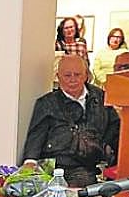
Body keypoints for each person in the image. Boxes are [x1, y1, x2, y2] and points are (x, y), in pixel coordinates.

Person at [21, 55, 120, 188]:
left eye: (77, 75)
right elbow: (36, 135)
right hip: (60, 166)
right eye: (67, 75)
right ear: (58, 77)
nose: (73, 80)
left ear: (86, 75)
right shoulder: (46, 103)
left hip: (94, 164)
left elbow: (115, 130)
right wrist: (30, 162)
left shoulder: (101, 97)